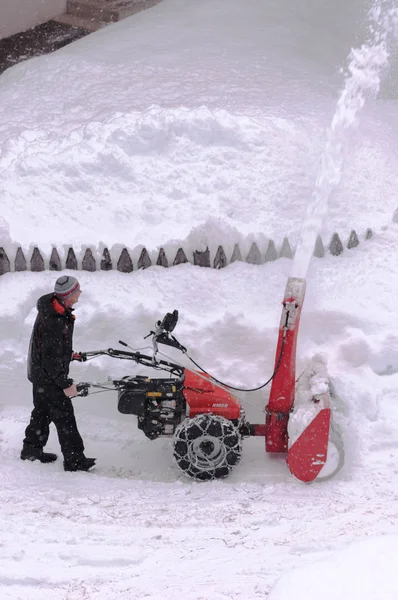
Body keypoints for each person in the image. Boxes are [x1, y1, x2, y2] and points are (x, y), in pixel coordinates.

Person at [20, 275, 96, 472]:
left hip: (40, 374)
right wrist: (65, 383)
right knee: (65, 418)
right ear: (69, 295)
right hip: (48, 377)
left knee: (42, 412)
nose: (80, 293)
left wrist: (69, 355)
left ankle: (31, 450)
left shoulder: (53, 309)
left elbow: (50, 349)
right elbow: (50, 358)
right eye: (77, 290)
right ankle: (75, 461)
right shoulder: (54, 320)